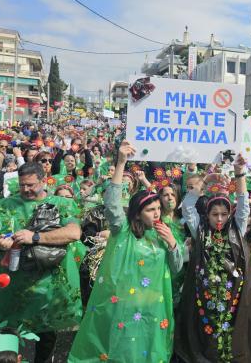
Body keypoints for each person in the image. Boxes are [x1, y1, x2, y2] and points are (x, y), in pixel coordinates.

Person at [69, 141, 183, 362]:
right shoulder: (123, 231)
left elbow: (176, 269)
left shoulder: (164, 234)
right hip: (122, 305)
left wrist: (173, 245)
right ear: (138, 214)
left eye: (158, 209)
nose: (157, 213)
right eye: (151, 210)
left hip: (153, 307)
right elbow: (112, 203)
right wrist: (121, 162)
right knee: (120, 349)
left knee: (146, 349)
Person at [176, 155, 251, 363]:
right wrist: (205, 179)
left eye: (223, 214)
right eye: (215, 214)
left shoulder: (237, 229)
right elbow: (187, 207)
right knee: (207, 334)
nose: (220, 219)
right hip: (204, 295)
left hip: (235, 295)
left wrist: (239, 173)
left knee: (234, 334)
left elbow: (243, 205)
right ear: (207, 215)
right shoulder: (200, 230)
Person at [0, 161, 84, 363]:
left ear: (44, 181)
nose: (26, 189)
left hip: (48, 287)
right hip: (11, 286)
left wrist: (35, 237)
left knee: (45, 336)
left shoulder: (61, 204)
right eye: (22, 185)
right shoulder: (4, 206)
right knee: (6, 334)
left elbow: (74, 233)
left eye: (31, 185)